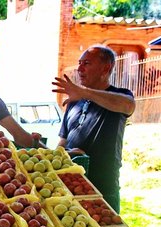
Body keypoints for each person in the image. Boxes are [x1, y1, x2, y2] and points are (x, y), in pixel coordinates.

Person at [52, 45, 135, 213]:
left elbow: (128, 105)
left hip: (103, 187)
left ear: (106, 68)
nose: (80, 69)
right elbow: (62, 143)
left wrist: (84, 92)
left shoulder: (119, 95)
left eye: (87, 63)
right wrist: (57, 154)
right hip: (71, 186)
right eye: (79, 63)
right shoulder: (74, 102)